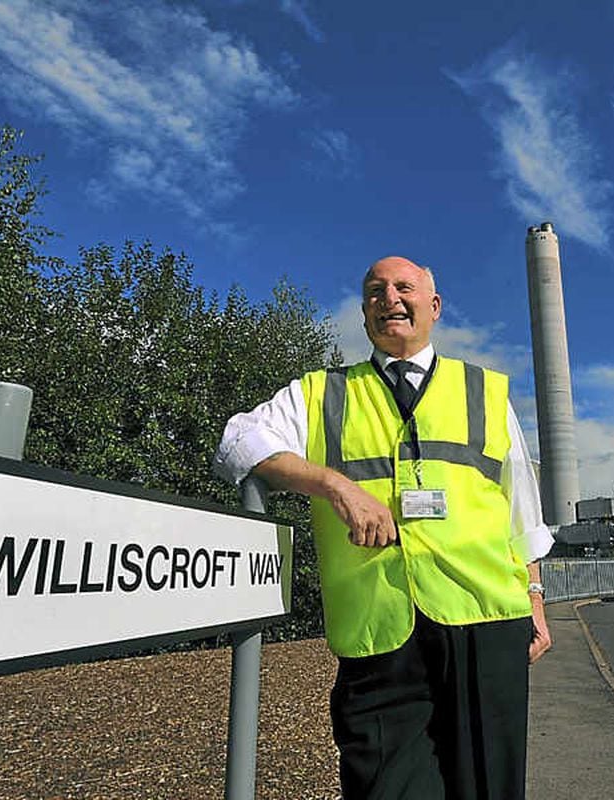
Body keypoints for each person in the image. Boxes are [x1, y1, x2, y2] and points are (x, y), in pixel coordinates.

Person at [213, 255, 553, 799]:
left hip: (486, 622)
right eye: (375, 291)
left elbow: (524, 511)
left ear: (434, 307)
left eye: (404, 287)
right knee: (383, 787)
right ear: (364, 312)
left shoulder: (485, 391)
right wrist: (333, 485)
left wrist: (535, 599)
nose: (389, 298)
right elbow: (238, 442)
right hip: (378, 632)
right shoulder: (322, 393)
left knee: (489, 787)